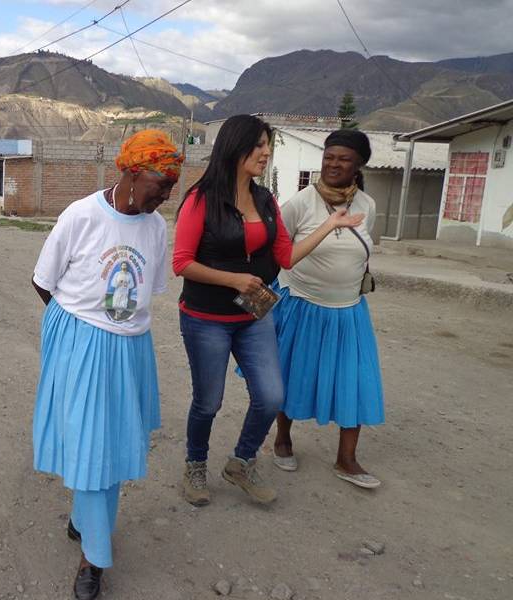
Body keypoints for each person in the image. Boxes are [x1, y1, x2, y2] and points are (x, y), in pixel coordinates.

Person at [172, 115, 363, 507]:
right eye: (259, 145)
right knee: (209, 401)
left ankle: (241, 462)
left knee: (272, 396)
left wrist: (330, 225)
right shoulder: (201, 199)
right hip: (206, 318)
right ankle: (195, 464)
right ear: (235, 147)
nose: (266, 152)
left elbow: (286, 257)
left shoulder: (265, 199)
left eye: (268, 145)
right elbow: (182, 263)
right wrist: (234, 280)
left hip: (254, 313)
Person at [31, 130, 182, 600]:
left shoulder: (156, 228)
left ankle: (82, 520)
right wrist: (79, 331)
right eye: (160, 184)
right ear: (132, 173)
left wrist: (115, 330)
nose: (166, 195)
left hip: (132, 349)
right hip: (82, 342)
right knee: (93, 444)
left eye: (172, 186)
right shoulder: (81, 215)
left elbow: (145, 294)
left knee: (109, 445)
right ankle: (94, 557)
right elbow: (43, 282)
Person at [270, 129, 385, 488]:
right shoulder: (300, 203)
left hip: (349, 311)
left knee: (356, 381)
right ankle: (282, 440)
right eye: (329, 157)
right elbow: (279, 253)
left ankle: (346, 460)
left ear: (359, 165)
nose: (334, 164)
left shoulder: (367, 205)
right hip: (302, 306)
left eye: (344, 159)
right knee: (292, 375)